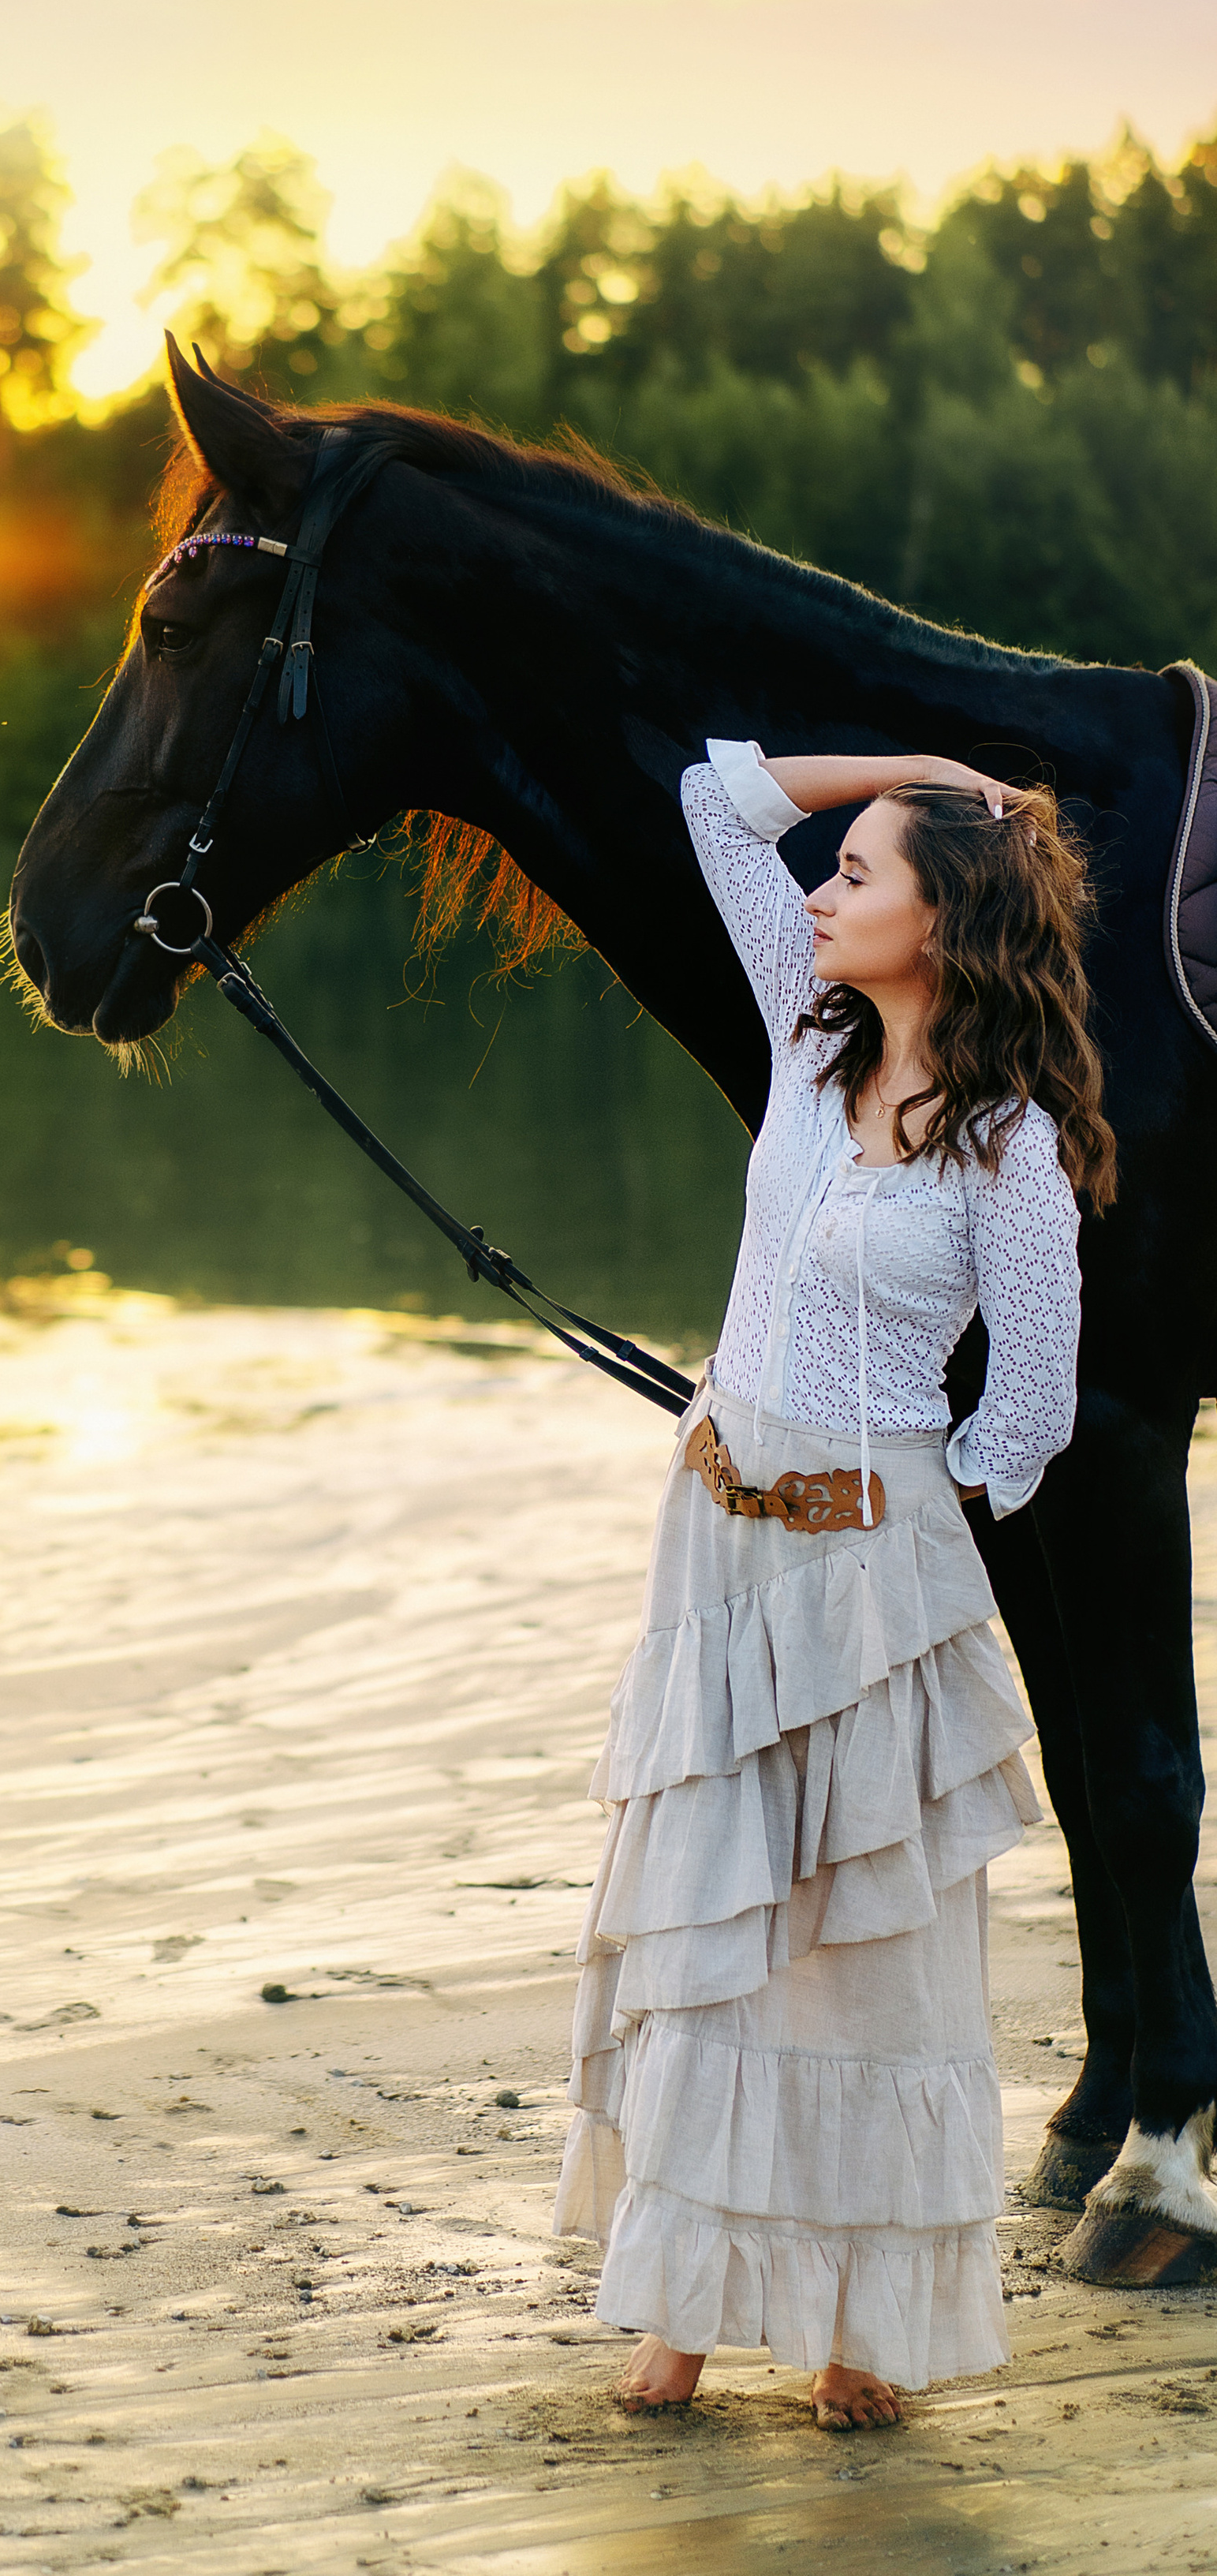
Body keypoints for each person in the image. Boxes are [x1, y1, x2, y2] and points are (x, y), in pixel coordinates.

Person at [552, 739, 1116, 2433]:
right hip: (713, 1560)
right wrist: (908, 769)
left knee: (860, 1943)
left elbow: (1025, 1404)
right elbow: (709, 805)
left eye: (857, 873)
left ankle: (862, 2322)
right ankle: (676, 2309)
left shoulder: (1007, 1149)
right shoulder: (807, 1059)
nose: (817, 897)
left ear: (936, 925)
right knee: (714, 1919)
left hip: (871, 1580)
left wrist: (886, 1511)